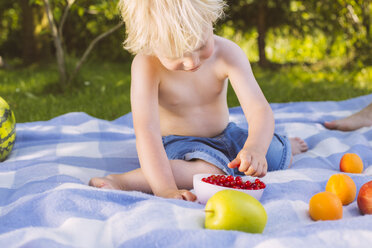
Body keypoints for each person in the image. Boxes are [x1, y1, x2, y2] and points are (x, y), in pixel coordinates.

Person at [89, 0, 308, 201]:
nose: (191, 62)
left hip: (226, 135)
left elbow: (259, 109)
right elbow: (147, 132)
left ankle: (281, 147)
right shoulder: (146, 65)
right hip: (182, 145)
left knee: (276, 155)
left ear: (210, 19)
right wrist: (165, 189)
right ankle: (121, 181)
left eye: (201, 46)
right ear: (150, 43)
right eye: (176, 55)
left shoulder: (228, 53)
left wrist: (255, 148)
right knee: (202, 171)